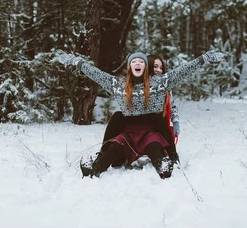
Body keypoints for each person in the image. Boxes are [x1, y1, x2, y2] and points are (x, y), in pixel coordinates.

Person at [58, 49, 224, 179]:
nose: (137, 63)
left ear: (145, 67)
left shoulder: (159, 82)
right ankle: (94, 169)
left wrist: (205, 58)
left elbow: (182, 71)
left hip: (151, 130)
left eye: (141, 61)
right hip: (128, 132)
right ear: (130, 66)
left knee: (153, 147)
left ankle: (165, 166)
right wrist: (76, 61)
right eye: (134, 61)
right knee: (115, 147)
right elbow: (96, 74)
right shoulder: (118, 85)